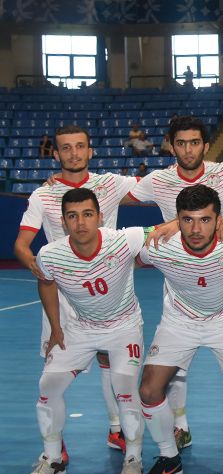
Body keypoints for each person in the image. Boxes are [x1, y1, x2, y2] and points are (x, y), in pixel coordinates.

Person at [125, 115, 223, 450]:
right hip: (178, 276)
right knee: (175, 366)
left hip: (220, 272)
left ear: (206, 145)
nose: (187, 150)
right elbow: (120, 195)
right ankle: (179, 425)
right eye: (180, 143)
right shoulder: (158, 180)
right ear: (171, 145)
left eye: (194, 142)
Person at [137, 185, 223, 474]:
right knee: (148, 391)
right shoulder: (160, 245)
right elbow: (124, 256)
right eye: (187, 220)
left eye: (205, 220)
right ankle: (168, 458)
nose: (196, 229)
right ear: (177, 219)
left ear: (218, 219)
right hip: (178, 323)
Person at [15, 125, 138, 455]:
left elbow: (168, 184)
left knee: (110, 363)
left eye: (79, 146)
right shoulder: (43, 194)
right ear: (55, 154)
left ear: (90, 151)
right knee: (54, 372)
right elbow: (22, 244)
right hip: (64, 296)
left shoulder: (111, 184)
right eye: (65, 148)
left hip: (107, 291)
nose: (73, 153)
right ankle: (56, 446)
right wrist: (38, 268)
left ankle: (117, 430)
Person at [24, 188, 145, 474]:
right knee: (48, 386)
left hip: (124, 327)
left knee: (125, 386)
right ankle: (52, 458)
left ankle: (133, 458)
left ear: (100, 217)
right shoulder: (51, 253)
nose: (81, 223)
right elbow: (46, 283)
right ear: (63, 222)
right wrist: (56, 327)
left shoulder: (123, 239)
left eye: (88, 214)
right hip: (80, 329)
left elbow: (167, 229)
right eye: (73, 216)